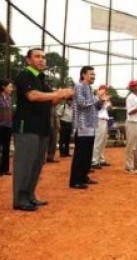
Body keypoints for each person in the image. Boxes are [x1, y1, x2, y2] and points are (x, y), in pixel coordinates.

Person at [13, 48, 73, 211]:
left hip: (42, 127)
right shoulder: (25, 75)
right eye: (37, 56)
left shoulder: (42, 79)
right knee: (25, 163)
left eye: (43, 57)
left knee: (37, 163)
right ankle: (20, 198)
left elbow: (50, 102)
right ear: (28, 60)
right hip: (27, 126)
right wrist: (57, 93)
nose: (41, 60)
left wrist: (61, 96)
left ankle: (30, 195)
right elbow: (32, 96)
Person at [69, 66, 107, 189]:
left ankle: (84, 176)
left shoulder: (89, 88)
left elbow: (95, 107)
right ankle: (75, 180)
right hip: (82, 125)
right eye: (91, 74)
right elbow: (82, 103)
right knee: (80, 153)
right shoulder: (79, 87)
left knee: (87, 153)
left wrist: (101, 101)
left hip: (90, 125)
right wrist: (97, 97)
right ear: (83, 75)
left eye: (94, 75)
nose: (93, 77)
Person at [91, 85, 112, 169]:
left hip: (104, 120)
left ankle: (101, 159)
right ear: (100, 90)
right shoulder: (95, 97)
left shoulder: (105, 98)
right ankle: (94, 161)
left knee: (103, 141)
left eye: (106, 90)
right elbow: (98, 108)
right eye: (104, 90)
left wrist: (107, 100)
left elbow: (110, 108)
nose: (105, 92)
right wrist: (102, 99)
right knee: (98, 141)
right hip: (98, 120)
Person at [0, 79, 14, 176]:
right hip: (0, 126)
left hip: (8, 126)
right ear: (3, 87)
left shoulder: (9, 98)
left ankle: (5, 169)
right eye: (10, 86)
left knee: (6, 148)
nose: (11, 89)